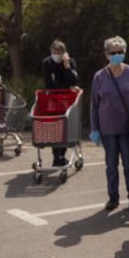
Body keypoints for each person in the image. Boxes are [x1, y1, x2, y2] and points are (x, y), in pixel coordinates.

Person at [89, 36, 129, 212]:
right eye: (113, 52)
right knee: (111, 164)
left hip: (127, 127)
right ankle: (113, 197)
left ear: (125, 53)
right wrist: (94, 129)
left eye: (120, 52)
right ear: (106, 54)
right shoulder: (99, 76)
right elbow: (94, 105)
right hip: (108, 128)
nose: (117, 55)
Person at [42, 39, 80, 167]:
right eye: (55, 52)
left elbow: (73, 79)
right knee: (56, 127)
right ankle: (56, 156)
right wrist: (66, 87)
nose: (58, 55)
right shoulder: (47, 63)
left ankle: (62, 155)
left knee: (66, 126)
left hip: (67, 100)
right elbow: (49, 84)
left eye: (60, 52)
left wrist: (67, 65)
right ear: (51, 52)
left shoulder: (70, 62)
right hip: (53, 100)